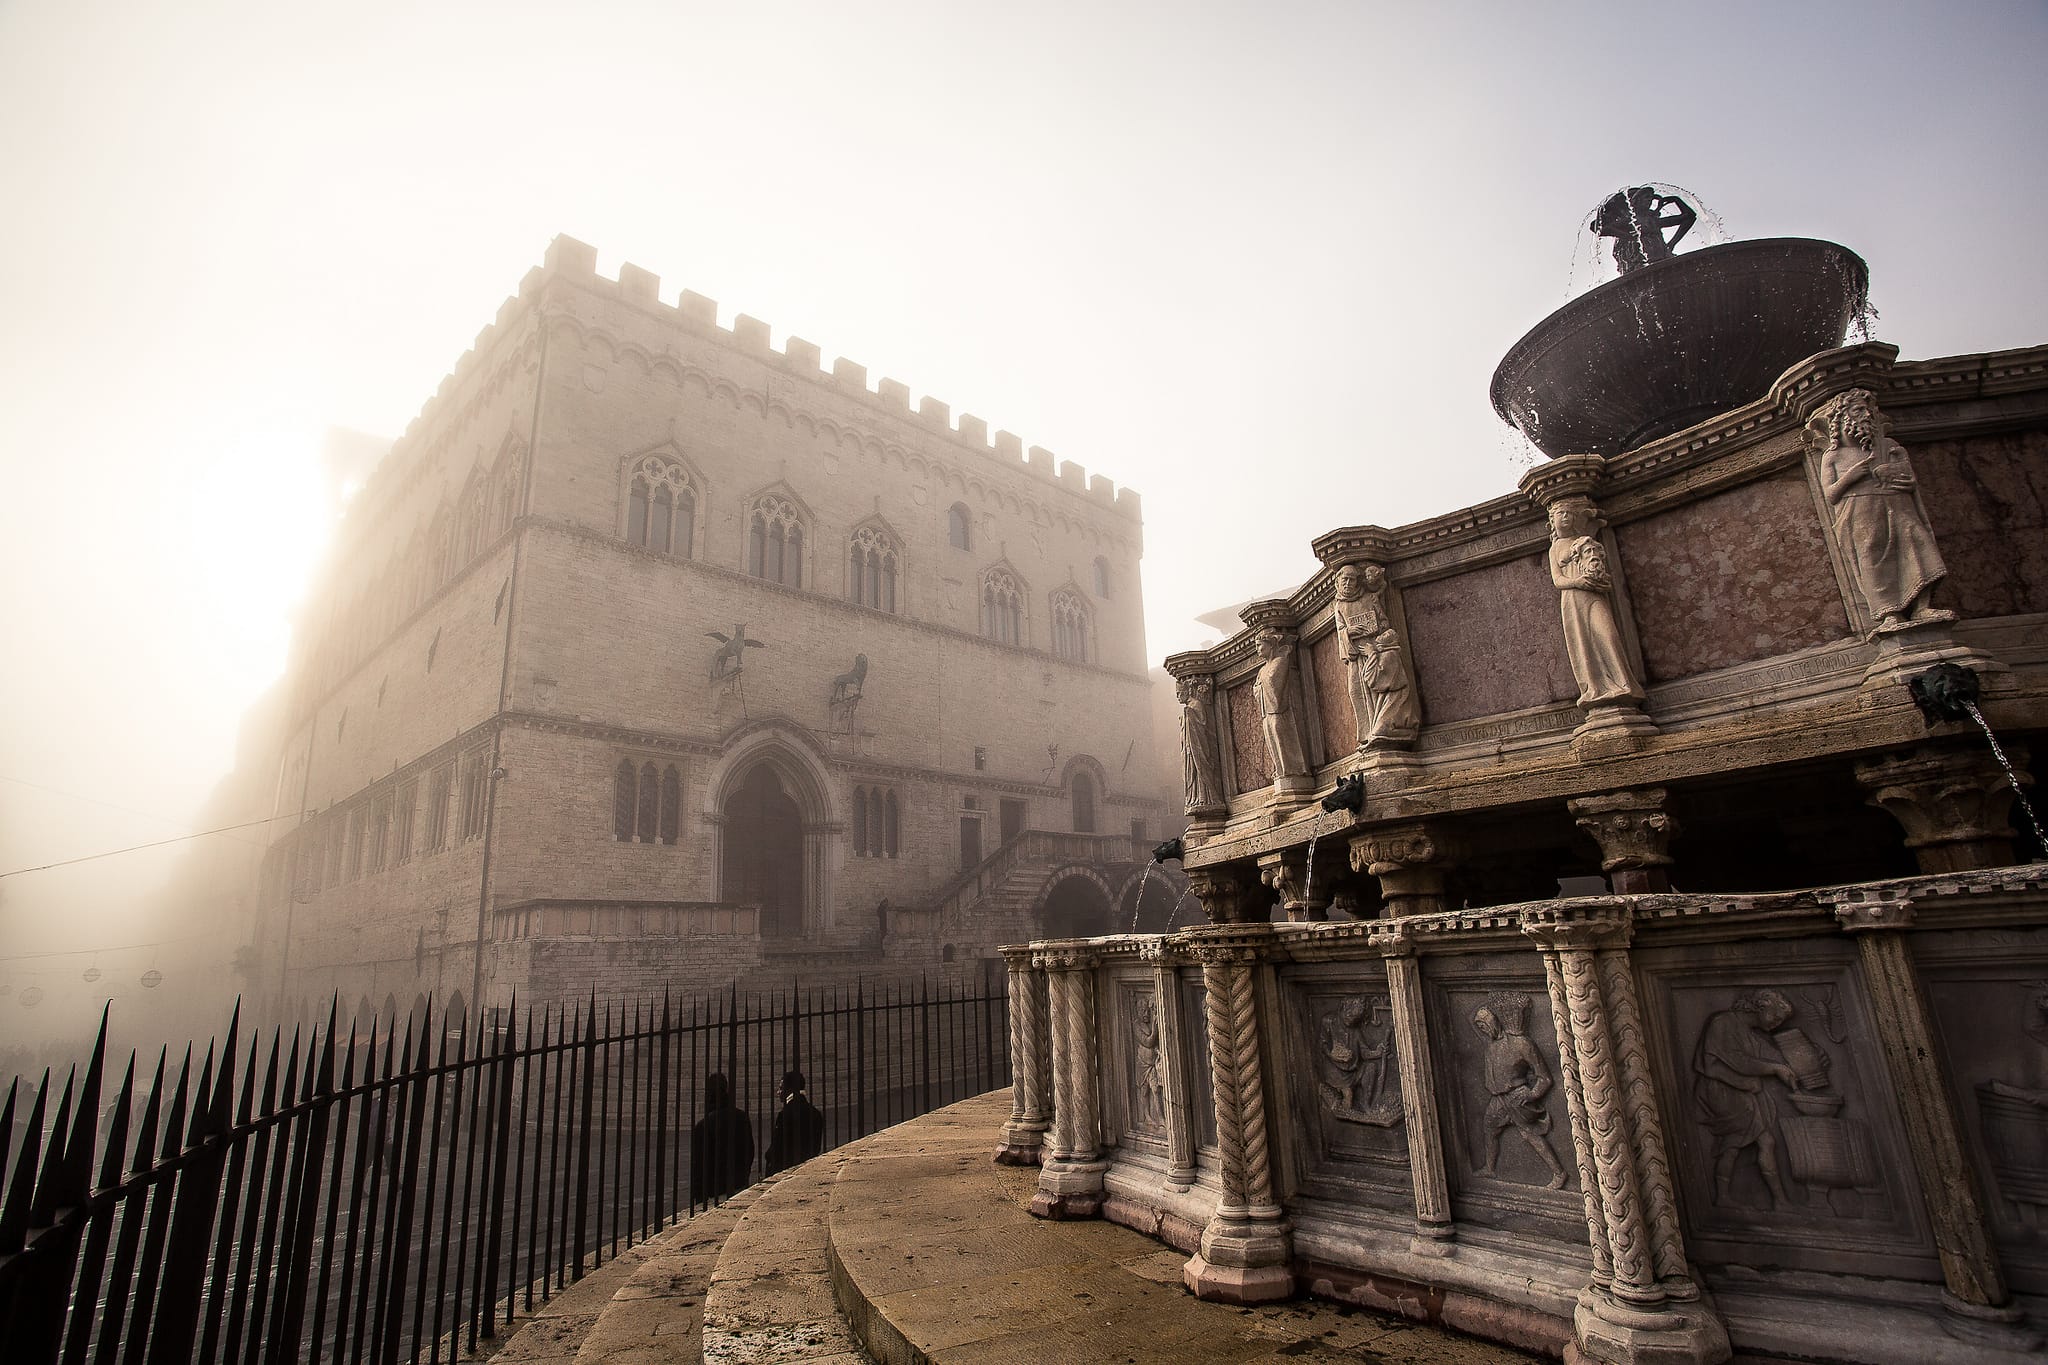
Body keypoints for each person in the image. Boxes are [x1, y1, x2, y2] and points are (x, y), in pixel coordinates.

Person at [691, 1072, 755, 1205]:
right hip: (739, 1185)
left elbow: (698, 1166)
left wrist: (698, 1197)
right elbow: (749, 1152)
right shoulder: (741, 1117)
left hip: (714, 1191)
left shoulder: (703, 1125)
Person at [763, 1068, 827, 1175]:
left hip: (785, 1169)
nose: (778, 1092)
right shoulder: (815, 1113)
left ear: (789, 1089)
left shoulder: (785, 1114)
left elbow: (778, 1146)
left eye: (780, 1088)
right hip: (808, 1168)